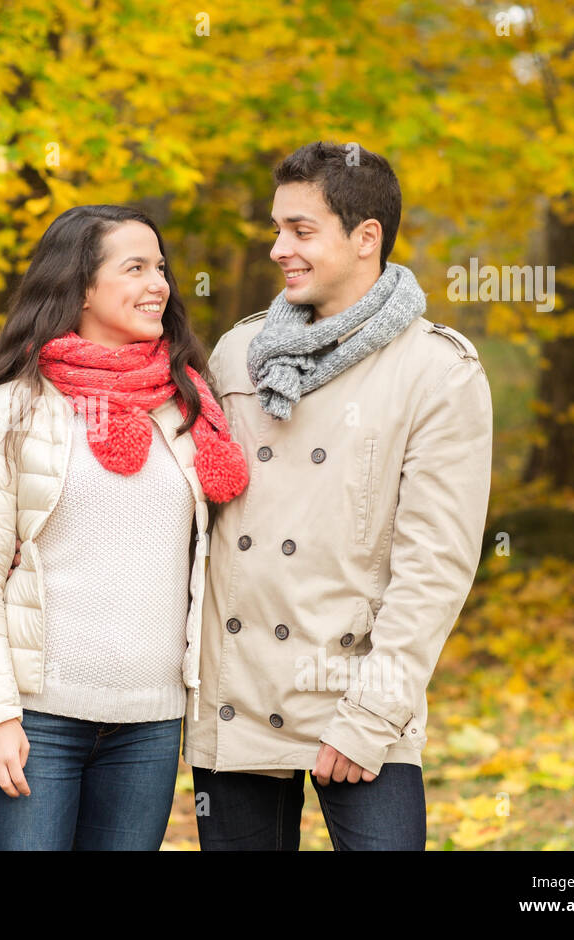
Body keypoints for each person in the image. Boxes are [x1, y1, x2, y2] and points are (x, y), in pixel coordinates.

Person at [185, 141, 494, 850]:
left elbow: (434, 567)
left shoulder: (435, 372)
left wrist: (374, 715)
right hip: (238, 686)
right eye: (275, 229)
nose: (277, 249)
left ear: (365, 238)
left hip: (356, 692)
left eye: (300, 230)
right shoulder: (240, 354)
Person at [0, 204, 249, 850]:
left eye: (161, 268)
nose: (159, 286)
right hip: (38, 716)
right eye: (134, 268)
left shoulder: (187, 405)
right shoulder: (15, 406)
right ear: (79, 286)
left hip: (150, 724)